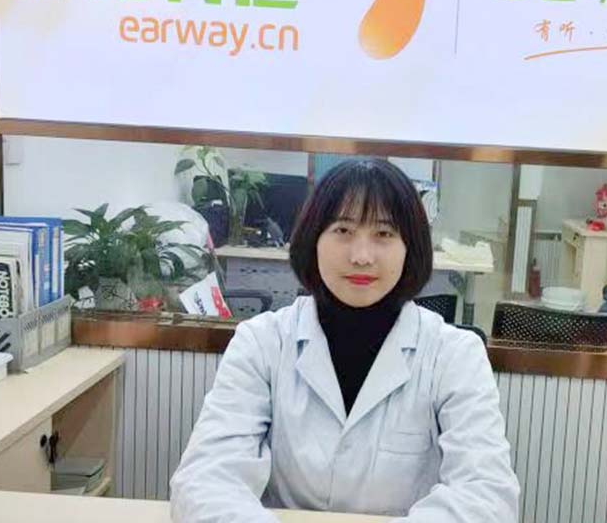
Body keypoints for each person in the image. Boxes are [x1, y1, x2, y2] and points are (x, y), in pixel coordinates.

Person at [170, 159, 520, 522]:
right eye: (343, 230)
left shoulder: (455, 355)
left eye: (384, 233)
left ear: (410, 246)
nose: (361, 256)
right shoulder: (262, 343)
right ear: (313, 240)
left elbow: (487, 497)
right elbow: (205, 481)